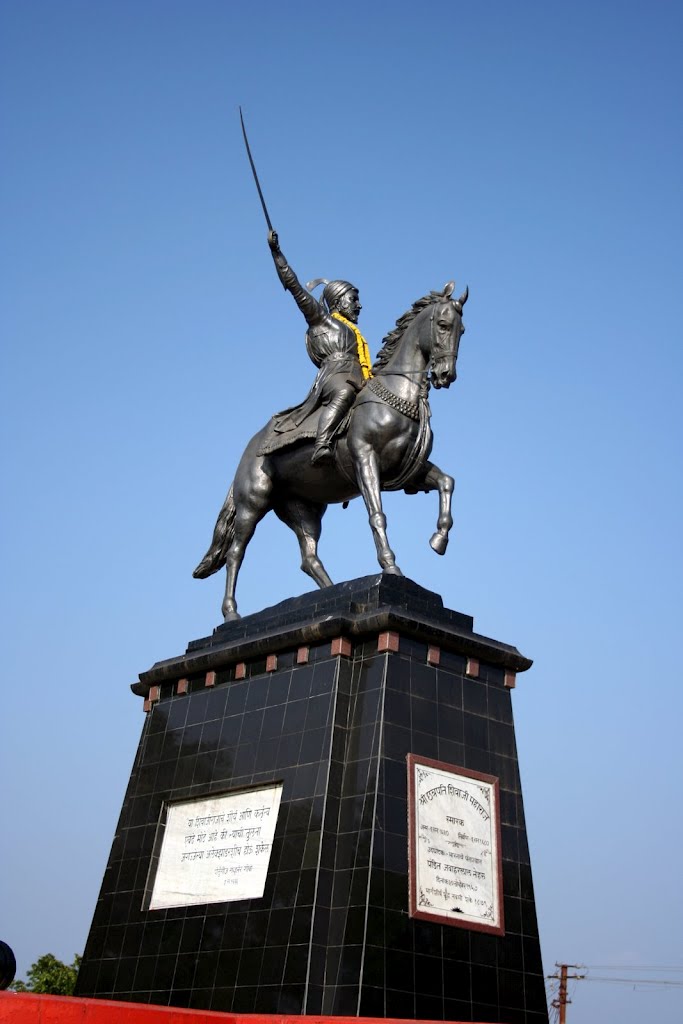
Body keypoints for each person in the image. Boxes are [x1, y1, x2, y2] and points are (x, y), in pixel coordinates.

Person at [267, 230, 372, 463]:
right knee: (344, 393)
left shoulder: (354, 332)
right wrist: (277, 253)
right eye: (353, 299)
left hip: (359, 375)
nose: (359, 305)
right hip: (335, 376)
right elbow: (294, 286)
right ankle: (321, 444)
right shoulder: (322, 320)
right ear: (337, 302)